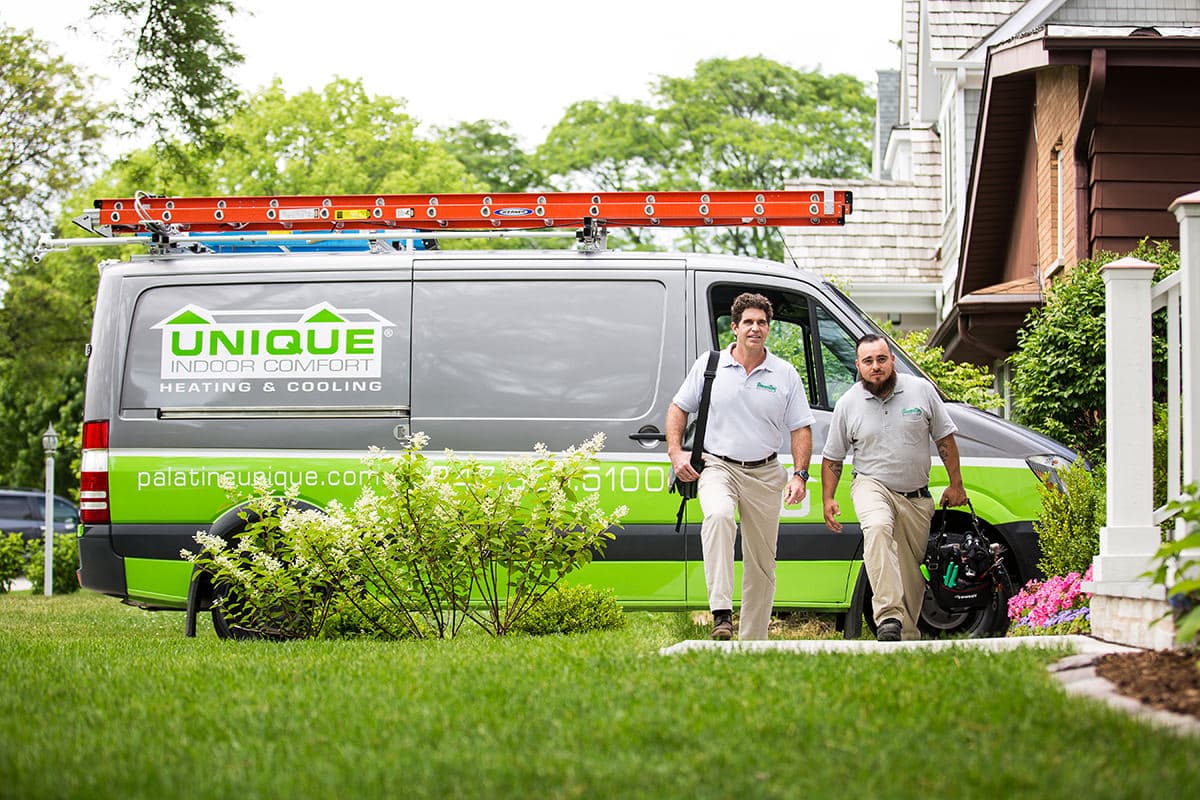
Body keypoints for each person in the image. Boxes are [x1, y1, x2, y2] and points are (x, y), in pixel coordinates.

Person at [667, 293, 814, 641]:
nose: (755, 328)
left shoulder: (785, 373)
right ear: (734, 328)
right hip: (719, 466)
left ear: (768, 328)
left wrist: (800, 474)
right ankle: (721, 614)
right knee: (717, 516)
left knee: (762, 563)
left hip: (765, 473)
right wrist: (676, 454)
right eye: (748, 322)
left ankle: (752, 642)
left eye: (761, 322)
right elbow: (678, 407)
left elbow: (801, 429)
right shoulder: (710, 364)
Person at [820, 333, 967, 642]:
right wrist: (828, 498)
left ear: (893, 361)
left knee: (911, 574)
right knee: (876, 527)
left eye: (882, 359)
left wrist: (957, 485)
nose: (876, 367)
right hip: (871, 485)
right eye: (869, 361)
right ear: (858, 366)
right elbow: (833, 457)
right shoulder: (848, 404)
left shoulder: (921, 391)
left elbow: (944, 439)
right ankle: (887, 616)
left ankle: (905, 637)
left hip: (916, 497)